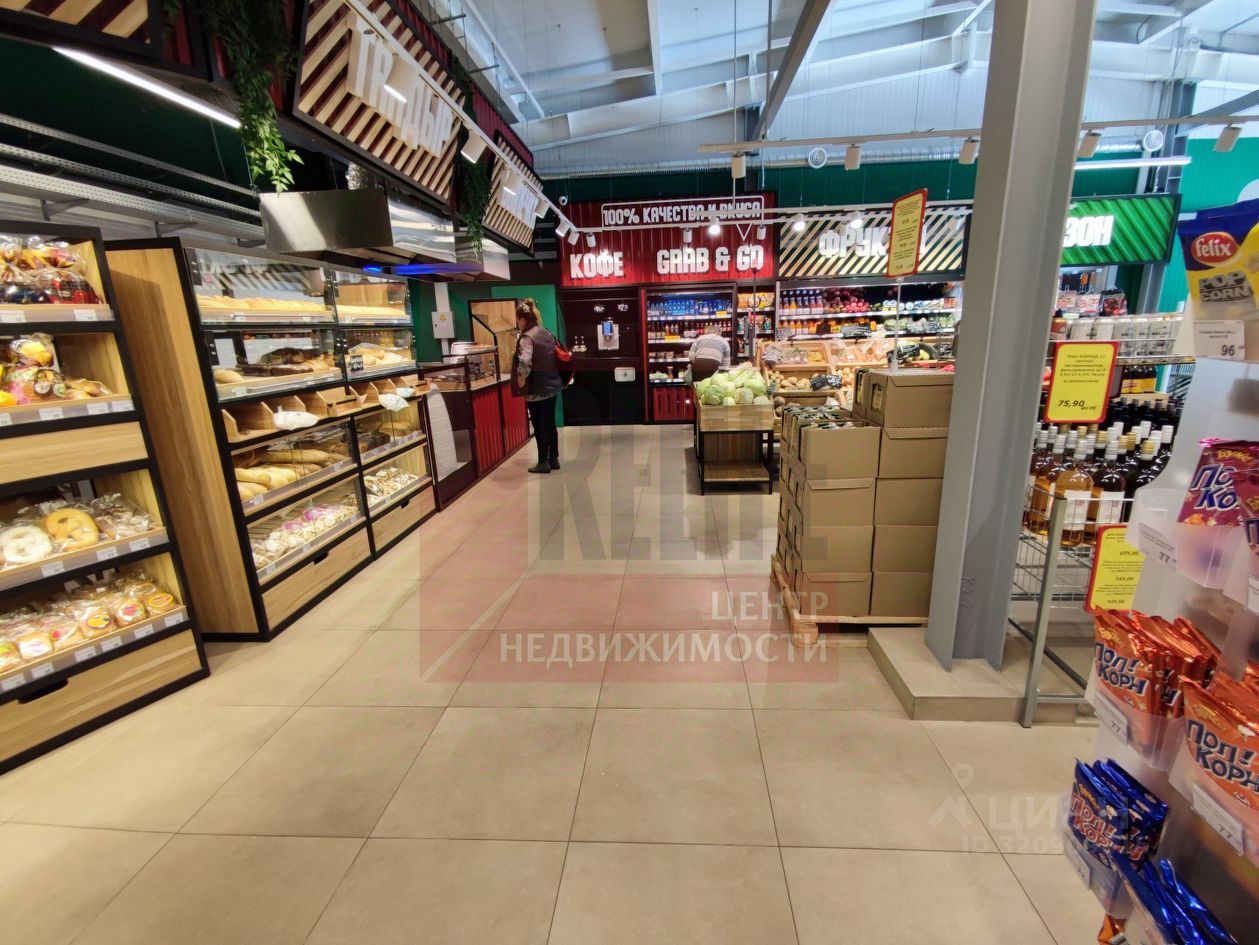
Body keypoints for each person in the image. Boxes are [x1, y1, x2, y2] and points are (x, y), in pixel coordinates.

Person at [513, 299, 564, 473]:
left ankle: (543, 462)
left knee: (539, 425)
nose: (518, 324)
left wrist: (521, 379)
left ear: (522, 319)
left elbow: (525, 362)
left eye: (518, 320)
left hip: (536, 388)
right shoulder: (546, 331)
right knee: (549, 423)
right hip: (552, 385)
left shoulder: (527, 337)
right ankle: (553, 458)